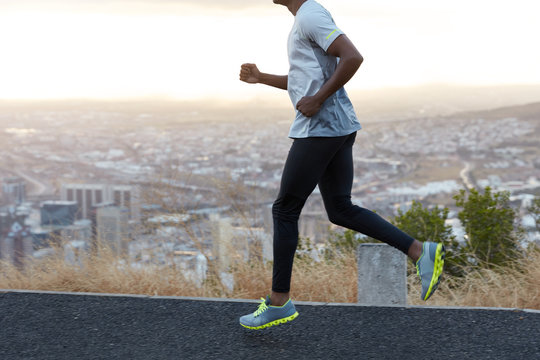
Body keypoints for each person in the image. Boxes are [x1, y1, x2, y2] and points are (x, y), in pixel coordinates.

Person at [238, 0, 445, 330]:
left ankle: (279, 302)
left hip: (321, 127)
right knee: (339, 209)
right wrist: (262, 78)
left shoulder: (310, 15)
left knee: (285, 209)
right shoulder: (305, 18)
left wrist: (318, 100)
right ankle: (420, 251)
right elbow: (304, 81)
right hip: (336, 126)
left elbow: (353, 57)